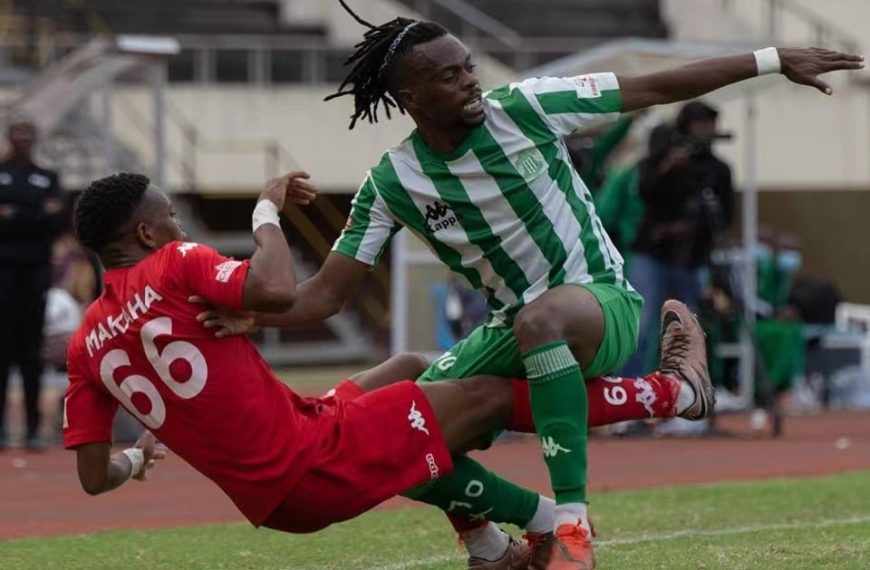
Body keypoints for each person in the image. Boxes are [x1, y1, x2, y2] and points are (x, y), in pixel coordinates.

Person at [201, 6, 863, 566]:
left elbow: (653, 86)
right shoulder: (392, 184)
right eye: (449, 76)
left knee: (540, 321)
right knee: (390, 417)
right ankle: (492, 541)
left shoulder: (525, 108)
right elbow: (321, 297)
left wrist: (773, 58)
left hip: (599, 303)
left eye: (468, 68)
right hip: (509, 327)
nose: (469, 83)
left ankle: (572, 530)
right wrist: (251, 282)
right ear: (410, 100)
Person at [67, 173, 708, 570]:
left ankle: (488, 550)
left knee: (409, 372)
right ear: (149, 232)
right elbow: (278, 289)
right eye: (172, 216)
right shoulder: (174, 261)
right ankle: (667, 399)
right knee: (482, 396)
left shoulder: (85, 346)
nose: (179, 224)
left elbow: (94, 478)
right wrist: (265, 212)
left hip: (284, 474)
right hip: (313, 460)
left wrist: (133, 459)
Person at [623, 103, 734, 377]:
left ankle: (685, 392)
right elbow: (644, 192)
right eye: (699, 124)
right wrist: (667, 168)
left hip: (693, 260)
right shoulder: (660, 160)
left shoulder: (717, 170)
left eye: (710, 124)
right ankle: (628, 391)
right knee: (641, 327)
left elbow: (724, 217)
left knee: (688, 329)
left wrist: (686, 229)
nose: (706, 130)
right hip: (653, 255)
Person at [0, 118, 66, 450]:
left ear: (35, 139)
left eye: (28, 134)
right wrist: (35, 213)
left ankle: (32, 430)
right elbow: (43, 216)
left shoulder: (49, 177)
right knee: (2, 353)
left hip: (35, 275)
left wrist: (13, 214)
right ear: (9, 137)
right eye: (17, 133)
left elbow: (56, 220)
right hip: (3, 275)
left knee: (31, 356)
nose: (22, 139)